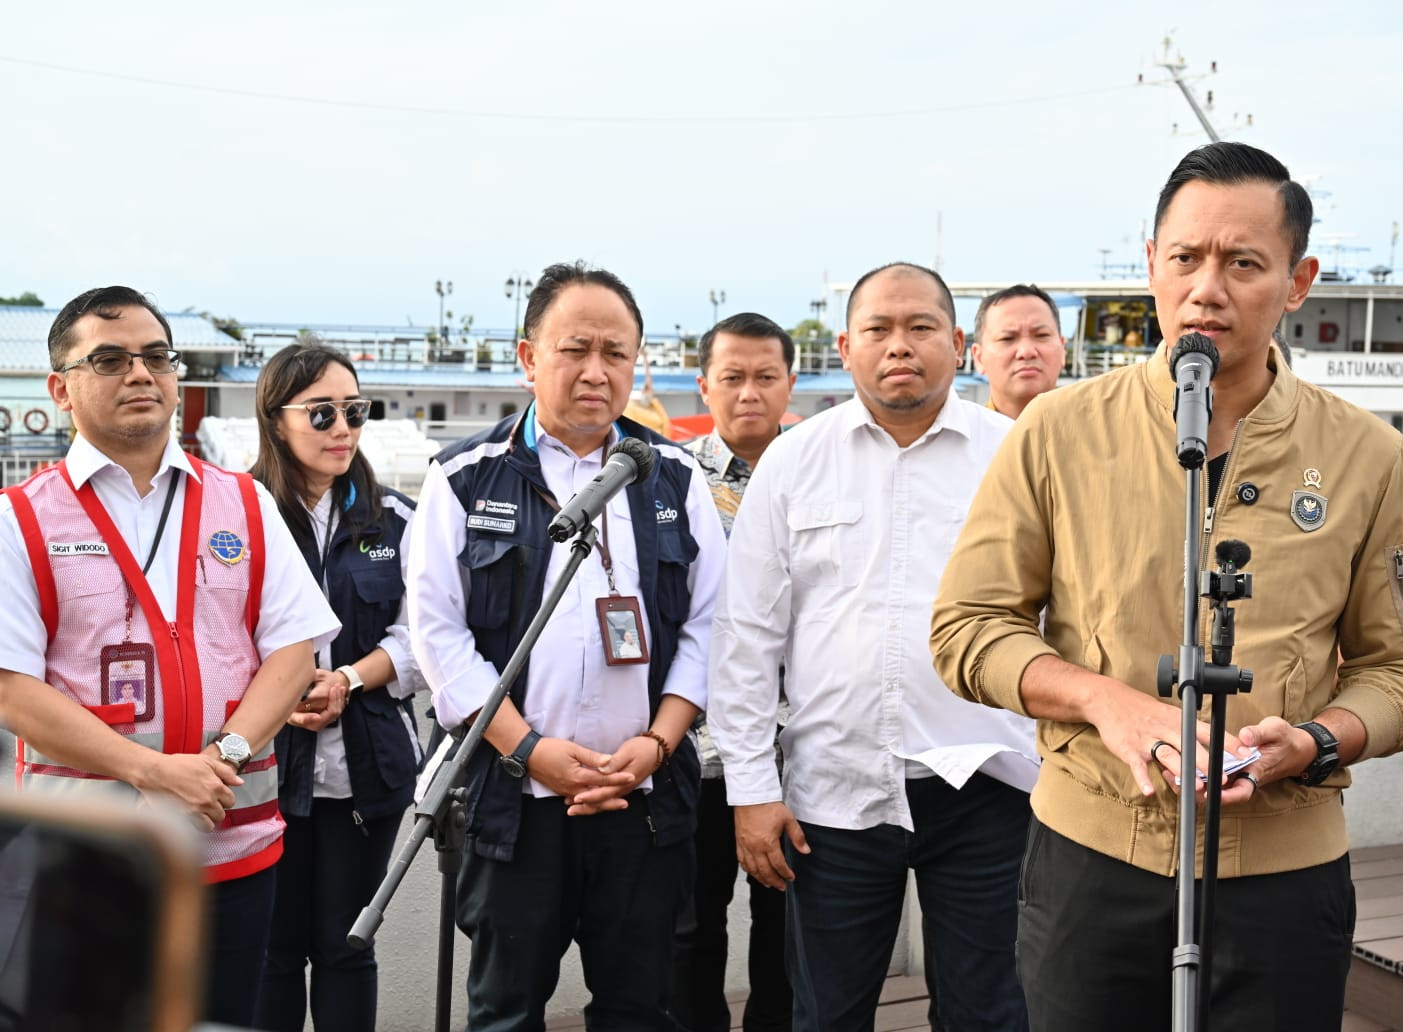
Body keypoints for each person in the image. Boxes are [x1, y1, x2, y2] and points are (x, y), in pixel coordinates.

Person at [930, 141, 1403, 1030]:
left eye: (1243, 262)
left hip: (1286, 879)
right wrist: (1104, 702)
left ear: (1298, 282)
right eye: (1185, 258)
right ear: (1151, 266)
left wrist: (1321, 740)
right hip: (1090, 859)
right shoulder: (1056, 431)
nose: (1207, 288)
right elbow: (968, 628)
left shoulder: (1368, 454)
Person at [711, 262, 1039, 1032]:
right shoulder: (794, 462)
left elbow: (1059, 617)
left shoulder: (1016, 453)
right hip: (833, 792)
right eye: (879, 330)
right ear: (845, 347)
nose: (900, 346)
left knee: (991, 1012)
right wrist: (752, 790)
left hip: (989, 783)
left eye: (921, 327)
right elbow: (747, 635)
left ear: (957, 344)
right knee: (827, 1014)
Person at [0, 286, 339, 1028]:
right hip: (86, 856)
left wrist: (224, 754)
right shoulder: (19, 518)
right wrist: (154, 773)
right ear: (60, 388)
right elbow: (11, 690)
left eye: (157, 356)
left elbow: (293, 649)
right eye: (111, 359)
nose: (141, 374)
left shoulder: (244, 503)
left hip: (234, 853)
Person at [408, 261, 726, 1031]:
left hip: (643, 801)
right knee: (506, 1013)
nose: (596, 371)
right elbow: (437, 637)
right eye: (574, 349)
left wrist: (658, 742)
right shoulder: (462, 479)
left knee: (638, 1010)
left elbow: (714, 627)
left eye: (616, 353)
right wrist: (528, 749)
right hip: (515, 805)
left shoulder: (675, 479)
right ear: (527, 359)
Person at [248, 343, 427, 1032]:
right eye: (322, 413)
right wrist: (282, 693)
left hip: (368, 771)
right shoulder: (239, 517)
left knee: (348, 947)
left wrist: (349, 679)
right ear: (277, 419)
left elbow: (420, 639)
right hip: (263, 769)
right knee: (273, 950)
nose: (343, 429)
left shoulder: (397, 519)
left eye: (356, 411)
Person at [676, 312, 797, 1032]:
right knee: (687, 932)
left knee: (786, 933)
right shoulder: (667, 480)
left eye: (765, 376)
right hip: (691, 751)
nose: (749, 392)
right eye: (732, 377)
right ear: (705, 385)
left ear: (790, 384)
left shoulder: (819, 472)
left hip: (796, 751)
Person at [970, 283, 1066, 417]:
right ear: (978, 357)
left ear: (1062, 350)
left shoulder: (1097, 434)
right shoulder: (963, 437)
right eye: (1007, 338)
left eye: (1041, 335)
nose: (1026, 352)